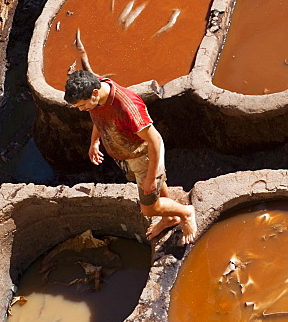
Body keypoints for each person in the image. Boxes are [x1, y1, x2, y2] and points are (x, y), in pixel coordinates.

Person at [64, 48, 197, 245]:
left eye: (82, 105)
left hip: (143, 156)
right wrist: (94, 142)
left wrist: (151, 176)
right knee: (156, 190)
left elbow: (155, 141)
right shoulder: (96, 91)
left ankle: (186, 213)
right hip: (125, 156)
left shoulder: (127, 107)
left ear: (94, 92)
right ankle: (169, 217)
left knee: (148, 208)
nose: (82, 110)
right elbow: (98, 118)